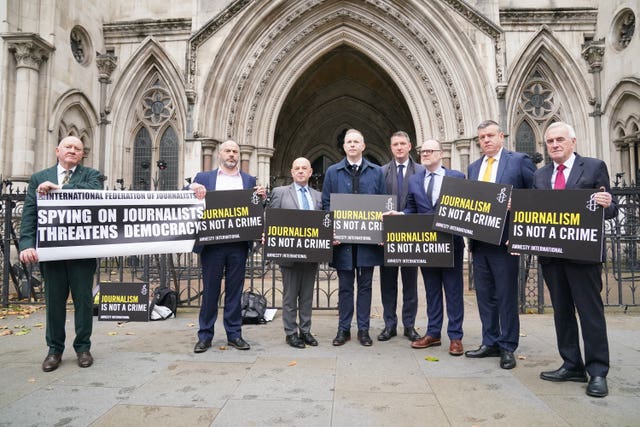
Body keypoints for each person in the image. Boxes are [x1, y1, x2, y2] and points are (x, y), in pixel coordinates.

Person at [535, 122, 617, 398]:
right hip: (552, 258)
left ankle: (597, 371)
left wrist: (607, 203)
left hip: (583, 257)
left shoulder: (593, 167)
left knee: (590, 313)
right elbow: (535, 213)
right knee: (562, 312)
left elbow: (612, 209)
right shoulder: (541, 175)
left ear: (573, 141)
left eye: (559, 140)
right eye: (550, 141)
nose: (554, 145)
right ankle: (571, 364)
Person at [19, 136, 103, 372]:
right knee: (54, 303)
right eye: (68, 147)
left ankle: (83, 348)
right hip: (51, 253)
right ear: (58, 150)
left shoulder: (91, 175)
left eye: (78, 148)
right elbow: (29, 214)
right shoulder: (38, 178)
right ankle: (54, 350)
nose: (73, 151)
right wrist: (26, 244)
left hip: (81, 253)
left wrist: (62, 189)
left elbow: (94, 191)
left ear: (82, 154)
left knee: (83, 302)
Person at [465, 120, 535, 369]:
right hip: (480, 242)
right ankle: (490, 341)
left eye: (490, 135)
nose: (486, 140)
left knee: (506, 296)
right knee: (485, 296)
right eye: (482, 137)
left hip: (506, 241)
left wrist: (517, 204)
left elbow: (535, 194)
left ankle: (508, 346)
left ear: (502, 136)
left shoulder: (518, 161)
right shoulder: (473, 167)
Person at [189, 140, 266, 353]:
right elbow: (185, 194)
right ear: (219, 154)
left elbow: (256, 210)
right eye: (228, 151)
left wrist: (262, 197)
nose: (231, 154)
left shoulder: (249, 180)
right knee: (210, 292)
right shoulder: (204, 178)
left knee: (235, 292)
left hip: (238, 245)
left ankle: (234, 334)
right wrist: (192, 187)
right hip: (212, 245)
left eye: (235, 151)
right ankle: (205, 336)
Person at [321, 129, 386, 346]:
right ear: (344, 146)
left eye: (356, 141)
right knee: (345, 287)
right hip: (343, 242)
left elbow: (384, 205)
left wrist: (381, 231)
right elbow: (327, 204)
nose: (352, 145)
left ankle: (364, 330)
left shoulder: (376, 172)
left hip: (368, 242)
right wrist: (331, 230)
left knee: (366, 286)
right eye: (348, 142)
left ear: (363, 146)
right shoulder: (333, 171)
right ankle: (343, 329)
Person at [402, 139, 466, 355]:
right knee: (431, 291)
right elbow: (411, 208)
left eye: (430, 151)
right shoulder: (414, 180)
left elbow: (465, 209)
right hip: (427, 245)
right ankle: (433, 333)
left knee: (453, 291)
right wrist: (399, 216)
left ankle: (456, 337)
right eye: (423, 151)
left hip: (451, 244)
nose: (425, 154)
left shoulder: (457, 177)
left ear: (441, 153)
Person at [269, 157, 322, 349]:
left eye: (304, 168)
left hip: (311, 256)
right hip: (289, 256)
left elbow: (323, 224)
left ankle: (305, 331)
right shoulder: (280, 193)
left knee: (307, 296)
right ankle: (291, 333)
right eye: (297, 168)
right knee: (290, 297)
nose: (300, 171)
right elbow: (272, 219)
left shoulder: (318, 196)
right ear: (292, 172)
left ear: (310, 172)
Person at [378, 131, 423, 342]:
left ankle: (410, 326)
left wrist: (403, 215)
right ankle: (389, 325)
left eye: (402, 144)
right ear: (391, 147)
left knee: (410, 284)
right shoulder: (381, 171)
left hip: (411, 237)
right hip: (386, 238)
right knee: (388, 284)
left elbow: (422, 205)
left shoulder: (421, 171)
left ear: (410, 146)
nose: (399, 147)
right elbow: (375, 202)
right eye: (395, 144)